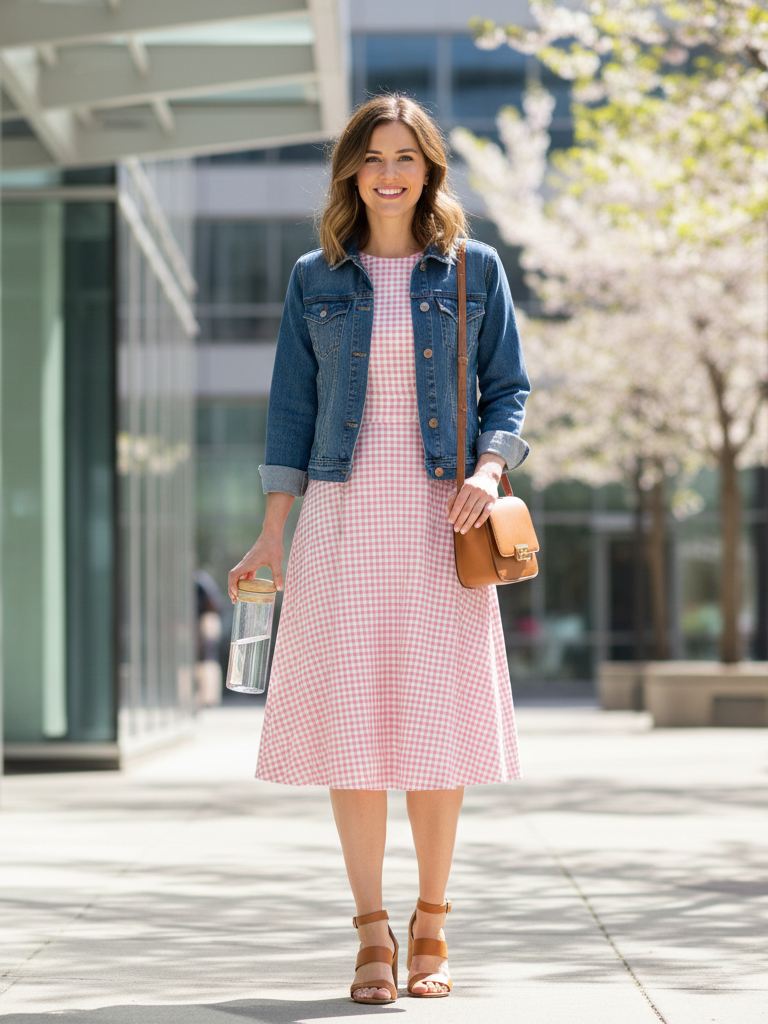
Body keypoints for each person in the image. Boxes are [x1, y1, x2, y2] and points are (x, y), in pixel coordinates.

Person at [228, 94, 530, 1004]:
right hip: (343, 518)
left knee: (437, 727)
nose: (389, 174)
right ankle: (370, 932)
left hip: (449, 518)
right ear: (351, 173)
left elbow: (509, 392)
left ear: (429, 169)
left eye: (405, 158)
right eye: (372, 160)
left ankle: (433, 920)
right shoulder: (313, 277)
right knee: (353, 730)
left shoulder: (474, 270)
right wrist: (273, 527)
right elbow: (288, 409)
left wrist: (488, 469)